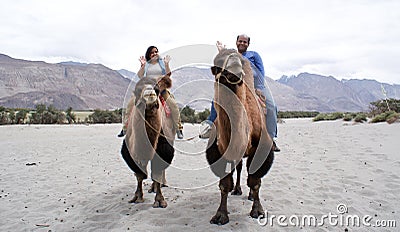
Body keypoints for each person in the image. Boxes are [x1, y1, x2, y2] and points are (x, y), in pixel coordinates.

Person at [200, 35, 280, 152]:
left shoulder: (254, 55)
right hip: (237, 83)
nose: (242, 43)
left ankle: (271, 138)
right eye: (240, 41)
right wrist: (222, 51)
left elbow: (260, 71)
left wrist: (260, 88)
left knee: (272, 106)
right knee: (217, 100)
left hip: (255, 85)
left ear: (248, 44)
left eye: (245, 42)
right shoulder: (232, 56)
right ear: (236, 42)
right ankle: (210, 126)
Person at [118, 45, 184, 139]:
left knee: (173, 104)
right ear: (149, 55)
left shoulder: (161, 63)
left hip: (160, 88)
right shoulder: (147, 65)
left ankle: (178, 129)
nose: (154, 53)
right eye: (152, 52)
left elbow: (168, 74)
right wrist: (143, 65)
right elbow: (140, 76)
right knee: (130, 104)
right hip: (147, 87)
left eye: (156, 51)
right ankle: (125, 128)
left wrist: (166, 64)